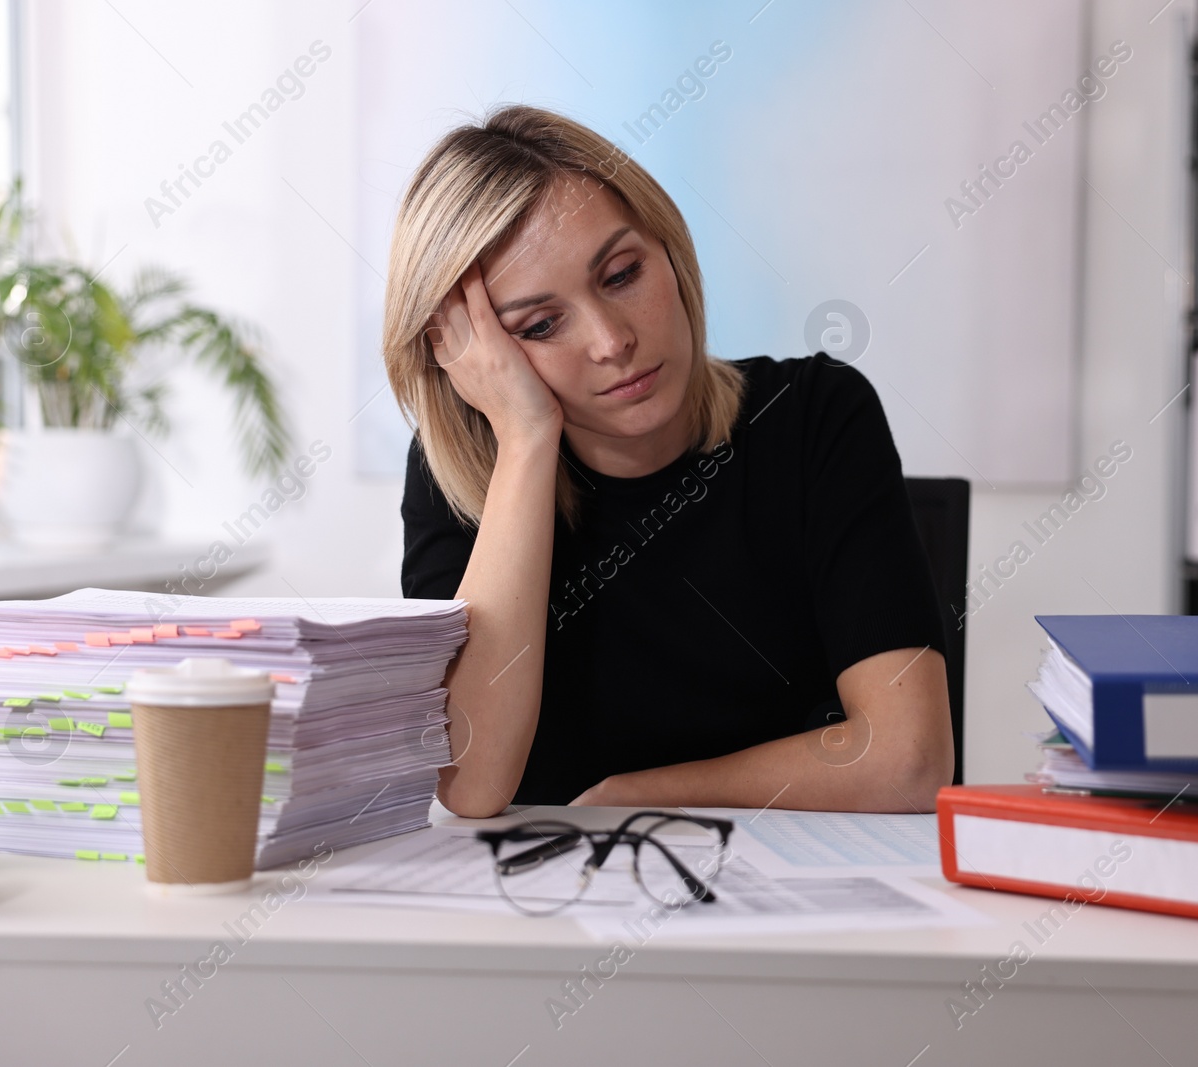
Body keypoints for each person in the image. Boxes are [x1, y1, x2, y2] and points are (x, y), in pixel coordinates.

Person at [386, 104, 952, 818]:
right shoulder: (460, 474)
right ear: (477, 358)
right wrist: (527, 440)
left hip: (787, 902)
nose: (611, 339)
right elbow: (470, 782)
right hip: (547, 912)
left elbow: (908, 762)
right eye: (540, 324)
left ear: (669, 251)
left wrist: (640, 796)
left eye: (621, 274)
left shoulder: (815, 414)